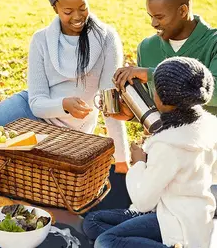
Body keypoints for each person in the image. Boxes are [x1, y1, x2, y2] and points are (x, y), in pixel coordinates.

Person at [0, 0, 130, 173]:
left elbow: (110, 105)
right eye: (68, 11)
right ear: (55, 8)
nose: (77, 16)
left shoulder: (107, 38)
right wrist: (63, 104)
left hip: (66, 132)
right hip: (30, 111)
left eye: (83, 7)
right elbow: (36, 103)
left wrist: (121, 159)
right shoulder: (42, 40)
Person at [83, 56, 217, 248]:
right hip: (191, 214)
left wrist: (139, 163)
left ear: (161, 99)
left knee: (105, 241)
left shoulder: (169, 145)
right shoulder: (208, 126)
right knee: (92, 222)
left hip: (176, 222)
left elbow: (142, 200)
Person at [112, 0, 217, 121]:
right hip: (167, 139)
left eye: (159, 17)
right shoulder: (147, 47)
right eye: (151, 16)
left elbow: (214, 92)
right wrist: (132, 115)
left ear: (182, 11)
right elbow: (155, 110)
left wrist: (152, 75)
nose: (153, 23)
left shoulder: (213, 43)